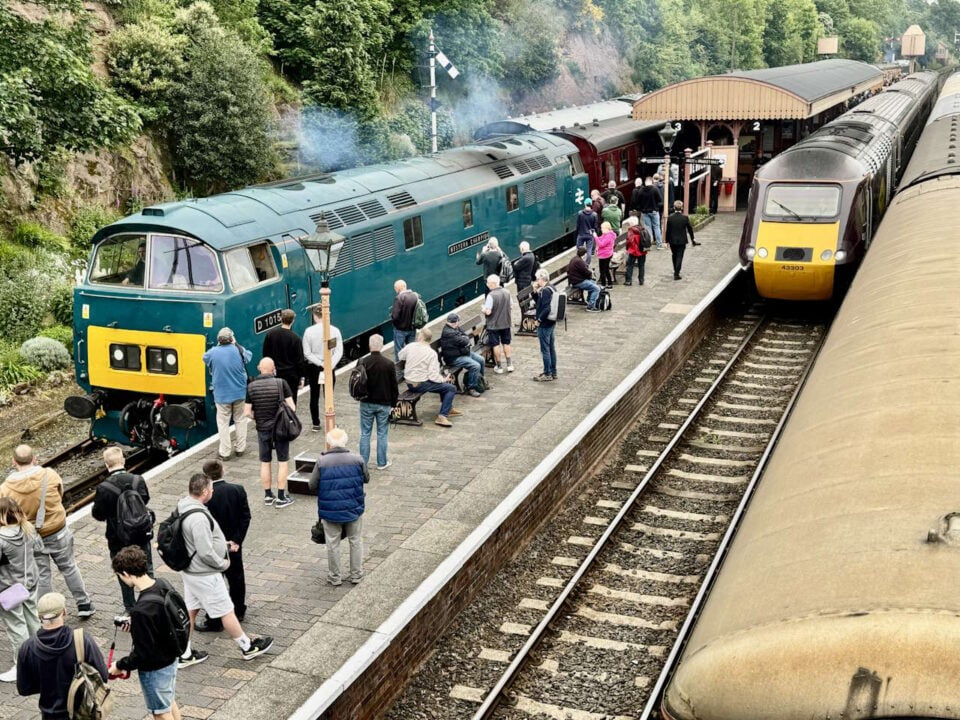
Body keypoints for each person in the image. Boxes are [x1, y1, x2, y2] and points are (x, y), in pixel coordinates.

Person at [176, 473, 272, 665]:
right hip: (204, 573)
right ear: (203, 491)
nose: (213, 491)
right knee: (227, 610)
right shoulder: (198, 517)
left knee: (191, 610)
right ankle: (247, 647)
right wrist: (223, 563)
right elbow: (204, 551)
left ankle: (184, 652)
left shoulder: (184, 506)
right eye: (211, 488)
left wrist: (222, 544)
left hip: (191, 571)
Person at [1, 445, 93, 617]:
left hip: (31, 536)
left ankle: (48, 613)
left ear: (14, 462)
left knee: (43, 575)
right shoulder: (49, 474)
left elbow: (7, 514)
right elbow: (60, 493)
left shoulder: (5, 488)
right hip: (57, 530)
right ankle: (84, 604)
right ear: (34, 458)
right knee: (69, 567)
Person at [111, 546, 183, 720]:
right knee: (169, 701)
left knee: (160, 713)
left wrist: (119, 665)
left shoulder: (141, 610)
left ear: (126, 574)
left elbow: (142, 654)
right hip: (171, 658)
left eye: (120, 576)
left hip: (155, 668)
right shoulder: (162, 583)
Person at [16, 592, 107, 719]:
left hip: (49, 714)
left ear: (39, 616)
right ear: (64, 612)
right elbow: (103, 676)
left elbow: (24, 689)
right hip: (81, 713)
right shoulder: (81, 640)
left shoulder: (27, 647)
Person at [92, 446, 153, 620]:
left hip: (117, 538)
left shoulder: (103, 488)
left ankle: (130, 607)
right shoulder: (137, 480)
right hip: (140, 532)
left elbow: (98, 514)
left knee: (122, 571)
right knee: (146, 567)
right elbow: (145, 500)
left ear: (106, 464)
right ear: (123, 460)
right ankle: (150, 600)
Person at [194, 459, 250, 632]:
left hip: (213, 547)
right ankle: (239, 611)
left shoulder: (203, 498)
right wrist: (236, 541)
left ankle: (215, 620)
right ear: (222, 471)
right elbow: (245, 517)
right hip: (233, 547)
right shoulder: (237, 490)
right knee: (237, 579)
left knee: (213, 583)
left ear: (205, 476)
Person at [309, 429, 367, 587]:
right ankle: (356, 574)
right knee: (355, 541)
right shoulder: (357, 459)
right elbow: (366, 478)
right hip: (354, 508)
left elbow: (311, 485)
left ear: (329, 442)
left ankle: (335, 577)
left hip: (330, 510)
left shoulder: (322, 461)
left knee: (332, 543)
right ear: (345, 441)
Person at [244, 358, 295, 508]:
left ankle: (267, 495)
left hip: (263, 429)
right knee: (282, 461)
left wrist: (258, 418)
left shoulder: (251, 387)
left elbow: (247, 412)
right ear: (273, 369)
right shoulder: (281, 383)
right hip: (280, 428)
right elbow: (292, 407)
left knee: (265, 462)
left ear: (260, 368)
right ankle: (281, 497)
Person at [0, 498, 39, 683]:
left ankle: (22, 666)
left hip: (8, 590)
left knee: (16, 627)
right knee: (33, 620)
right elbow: (37, 549)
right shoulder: (28, 529)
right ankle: (40, 656)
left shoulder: (1, 540)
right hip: (29, 582)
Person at [202, 327, 251, 461]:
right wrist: (235, 343)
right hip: (240, 392)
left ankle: (225, 452)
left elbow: (204, 358)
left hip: (222, 395)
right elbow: (248, 357)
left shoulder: (213, 352)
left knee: (223, 423)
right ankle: (240, 448)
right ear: (231, 339)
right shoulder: (238, 350)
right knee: (240, 420)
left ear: (219, 340)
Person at [397, 329, 460, 428]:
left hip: (410, 382)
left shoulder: (410, 346)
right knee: (450, 388)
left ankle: (448, 408)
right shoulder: (431, 353)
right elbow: (432, 375)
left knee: (443, 386)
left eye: (418, 335)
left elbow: (400, 356)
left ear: (421, 337)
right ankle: (442, 416)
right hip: (420, 383)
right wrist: (443, 379)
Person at [355, 335, 398, 470]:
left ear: (369, 346)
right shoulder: (389, 364)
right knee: (382, 433)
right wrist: (394, 404)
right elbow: (394, 387)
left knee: (365, 433)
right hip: (384, 403)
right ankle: (381, 462)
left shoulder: (362, 362)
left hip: (366, 403)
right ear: (382, 346)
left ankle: (363, 464)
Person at [303, 305, 343, 432]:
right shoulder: (334, 330)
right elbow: (339, 351)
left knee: (314, 395)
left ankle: (316, 423)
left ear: (315, 316)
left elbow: (307, 353)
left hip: (314, 367)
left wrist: (320, 363)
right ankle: (331, 422)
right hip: (329, 366)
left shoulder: (308, 332)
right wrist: (330, 365)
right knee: (329, 395)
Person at [261, 309, 303, 408]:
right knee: (291, 401)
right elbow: (299, 361)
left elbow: (265, 354)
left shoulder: (270, 334)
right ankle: (290, 420)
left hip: (275, 374)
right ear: (292, 321)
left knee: (276, 400)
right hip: (291, 376)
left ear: (281, 319)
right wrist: (301, 377)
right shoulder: (296, 338)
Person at [440, 314, 484, 397]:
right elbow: (465, 341)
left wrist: (464, 338)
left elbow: (465, 336)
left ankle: (480, 381)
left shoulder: (455, 328)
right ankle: (471, 388)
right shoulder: (449, 333)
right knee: (475, 366)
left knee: (481, 360)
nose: (458, 323)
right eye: (457, 321)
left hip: (463, 353)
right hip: (454, 358)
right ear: (454, 322)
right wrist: (465, 339)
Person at [483, 274, 514, 374]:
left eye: (488, 283)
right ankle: (509, 364)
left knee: (495, 345)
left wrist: (483, 309)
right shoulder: (507, 292)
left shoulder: (491, 295)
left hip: (494, 325)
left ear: (493, 284)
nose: (487, 284)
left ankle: (499, 366)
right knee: (506, 343)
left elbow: (488, 312)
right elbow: (511, 306)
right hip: (505, 323)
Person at [531, 270, 557, 382]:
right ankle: (553, 371)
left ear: (542, 279)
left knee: (545, 349)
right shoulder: (552, 288)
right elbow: (539, 302)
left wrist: (539, 320)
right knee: (551, 348)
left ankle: (547, 373)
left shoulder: (545, 291)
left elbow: (546, 308)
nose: (537, 281)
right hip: (551, 322)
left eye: (537, 279)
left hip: (545, 323)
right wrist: (535, 291)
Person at [666, 200, 699, 281]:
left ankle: (675, 270)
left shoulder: (670, 218)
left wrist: (666, 241)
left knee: (674, 255)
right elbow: (690, 229)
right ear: (682, 208)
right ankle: (676, 273)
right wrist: (693, 239)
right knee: (679, 256)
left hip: (672, 240)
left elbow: (668, 230)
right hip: (682, 240)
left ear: (674, 208)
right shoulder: (685, 218)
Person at [390, 279, 419, 360]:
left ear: (398, 288)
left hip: (400, 330)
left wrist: (396, 324)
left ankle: (400, 372)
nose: (395, 290)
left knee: (399, 352)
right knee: (412, 350)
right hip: (412, 329)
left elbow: (395, 316)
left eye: (395, 288)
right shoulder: (415, 296)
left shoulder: (399, 298)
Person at [566, 247, 601, 312]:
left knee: (593, 282)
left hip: (575, 280)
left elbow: (583, 271)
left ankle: (589, 300)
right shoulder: (579, 261)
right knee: (596, 288)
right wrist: (591, 273)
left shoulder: (575, 259)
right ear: (584, 254)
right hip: (577, 282)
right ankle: (591, 307)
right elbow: (586, 272)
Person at [637, 177, 664, 249]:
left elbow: (638, 202)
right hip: (654, 211)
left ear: (645, 182)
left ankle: (648, 245)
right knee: (656, 227)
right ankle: (659, 245)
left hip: (645, 212)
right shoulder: (655, 189)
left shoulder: (641, 190)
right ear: (651, 182)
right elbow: (660, 199)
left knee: (648, 228)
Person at [575, 200, 599, 264]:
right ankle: (587, 263)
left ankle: (578, 262)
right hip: (589, 235)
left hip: (581, 234)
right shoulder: (594, 214)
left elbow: (577, 225)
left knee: (579, 250)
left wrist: (577, 233)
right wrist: (595, 234)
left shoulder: (580, 213)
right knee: (589, 250)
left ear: (585, 204)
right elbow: (595, 226)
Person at [596, 221, 617, 289]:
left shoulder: (608, 236)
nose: (601, 229)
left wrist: (595, 237)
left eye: (602, 228)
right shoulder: (608, 234)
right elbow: (601, 238)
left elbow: (601, 244)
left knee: (603, 270)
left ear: (607, 228)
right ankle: (609, 283)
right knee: (606, 269)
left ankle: (603, 284)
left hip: (604, 255)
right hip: (607, 254)